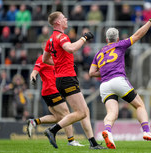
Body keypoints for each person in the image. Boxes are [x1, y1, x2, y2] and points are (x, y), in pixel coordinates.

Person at [89, 6, 151, 149]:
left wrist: (105, 71)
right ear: (117, 38)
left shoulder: (99, 53)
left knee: (112, 113)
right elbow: (138, 35)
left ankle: (107, 131)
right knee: (140, 105)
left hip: (104, 85)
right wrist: (150, 21)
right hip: (118, 80)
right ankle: (147, 132)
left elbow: (92, 73)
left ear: (106, 39)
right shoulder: (120, 45)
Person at [42, 11, 105, 149]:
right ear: (57, 22)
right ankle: (52, 130)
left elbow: (44, 59)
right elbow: (70, 49)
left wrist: (60, 63)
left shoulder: (51, 39)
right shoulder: (61, 37)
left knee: (84, 111)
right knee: (81, 112)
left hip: (62, 78)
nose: (66, 19)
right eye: (63, 18)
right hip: (67, 78)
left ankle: (93, 143)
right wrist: (83, 38)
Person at [27, 54, 84, 146]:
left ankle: (34, 122)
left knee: (58, 117)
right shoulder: (42, 58)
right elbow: (34, 71)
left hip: (54, 91)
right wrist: (33, 76)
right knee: (66, 114)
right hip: (51, 90)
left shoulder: (57, 59)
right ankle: (71, 141)